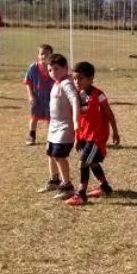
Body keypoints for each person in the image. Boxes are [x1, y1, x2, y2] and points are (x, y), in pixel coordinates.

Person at [65, 61, 120, 206]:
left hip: (96, 137)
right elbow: (77, 118)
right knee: (93, 162)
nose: (77, 82)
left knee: (84, 162)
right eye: (75, 78)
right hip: (84, 135)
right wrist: (77, 137)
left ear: (90, 79)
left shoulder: (99, 95)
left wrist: (115, 131)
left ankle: (81, 194)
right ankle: (105, 187)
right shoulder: (76, 95)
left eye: (80, 78)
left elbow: (109, 114)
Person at [37, 54, 79, 200]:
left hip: (65, 126)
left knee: (59, 156)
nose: (52, 72)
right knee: (50, 153)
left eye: (56, 69)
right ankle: (54, 180)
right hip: (54, 126)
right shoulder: (56, 83)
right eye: (50, 70)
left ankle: (67, 186)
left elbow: (74, 99)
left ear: (65, 69)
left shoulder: (67, 83)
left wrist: (76, 121)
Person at [23, 44, 55, 146]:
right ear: (38, 55)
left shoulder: (54, 68)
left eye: (46, 54)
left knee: (51, 118)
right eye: (41, 54)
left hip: (51, 98)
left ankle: (51, 138)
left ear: (51, 55)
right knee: (34, 117)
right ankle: (31, 135)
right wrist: (30, 96)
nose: (44, 56)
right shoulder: (33, 68)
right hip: (37, 97)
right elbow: (28, 82)